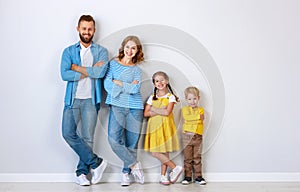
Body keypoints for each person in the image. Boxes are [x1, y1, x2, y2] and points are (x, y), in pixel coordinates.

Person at [60, 15, 108, 186]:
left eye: (90, 29)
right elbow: (64, 74)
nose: (86, 32)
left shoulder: (101, 51)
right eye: (84, 28)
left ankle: (82, 173)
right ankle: (96, 163)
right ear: (78, 29)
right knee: (67, 133)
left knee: (88, 137)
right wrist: (89, 71)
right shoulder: (69, 51)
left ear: (94, 30)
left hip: (91, 100)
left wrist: (77, 68)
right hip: (72, 100)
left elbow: (100, 73)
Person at [104, 35, 145, 186]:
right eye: (127, 47)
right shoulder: (113, 65)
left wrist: (119, 82)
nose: (130, 50)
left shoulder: (137, 71)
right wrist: (124, 86)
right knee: (113, 139)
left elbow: (135, 89)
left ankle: (126, 173)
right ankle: (135, 165)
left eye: (133, 48)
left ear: (137, 51)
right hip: (117, 106)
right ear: (123, 47)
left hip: (135, 108)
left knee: (132, 142)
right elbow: (107, 85)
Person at [144, 71, 183, 185]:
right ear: (154, 83)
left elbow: (167, 112)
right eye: (157, 81)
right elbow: (146, 113)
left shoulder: (171, 97)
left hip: (166, 127)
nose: (159, 83)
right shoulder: (152, 98)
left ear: (166, 81)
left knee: (163, 153)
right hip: (154, 128)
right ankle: (173, 169)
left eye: (162, 80)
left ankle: (165, 175)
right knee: (158, 153)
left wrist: (154, 110)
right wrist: (159, 109)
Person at [181, 86, 206, 185]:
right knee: (188, 158)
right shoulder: (185, 110)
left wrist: (193, 119)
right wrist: (197, 118)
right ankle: (187, 176)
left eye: (195, 98)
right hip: (187, 137)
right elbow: (187, 118)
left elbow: (201, 121)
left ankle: (198, 177)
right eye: (190, 99)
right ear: (186, 99)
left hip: (197, 136)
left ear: (198, 98)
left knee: (197, 158)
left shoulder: (201, 110)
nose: (192, 101)